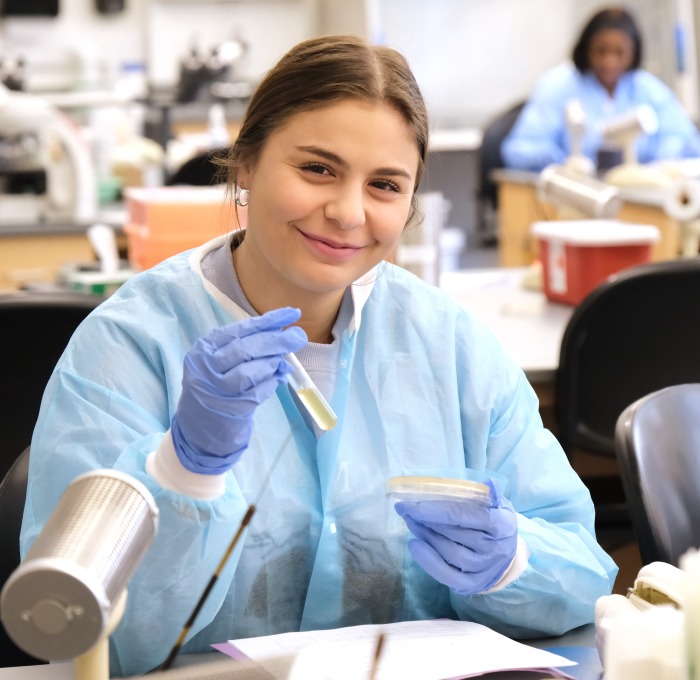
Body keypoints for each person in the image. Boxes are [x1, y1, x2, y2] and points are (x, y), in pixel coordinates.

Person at [21, 35, 616, 677]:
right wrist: (182, 471)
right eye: (317, 169)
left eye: (385, 185)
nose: (347, 212)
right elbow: (77, 634)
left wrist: (513, 561)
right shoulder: (128, 344)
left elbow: (584, 572)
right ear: (245, 164)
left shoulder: (452, 345)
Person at [502, 6, 700, 172]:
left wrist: (659, 168)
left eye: (619, 52)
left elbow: (684, 140)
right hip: (573, 196)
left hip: (639, 196)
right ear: (586, 49)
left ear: (634, 53)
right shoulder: (558, 86)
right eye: (601, 51)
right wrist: (569, 166)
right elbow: (519, 151)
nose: (609, 62)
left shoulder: (648, 89)